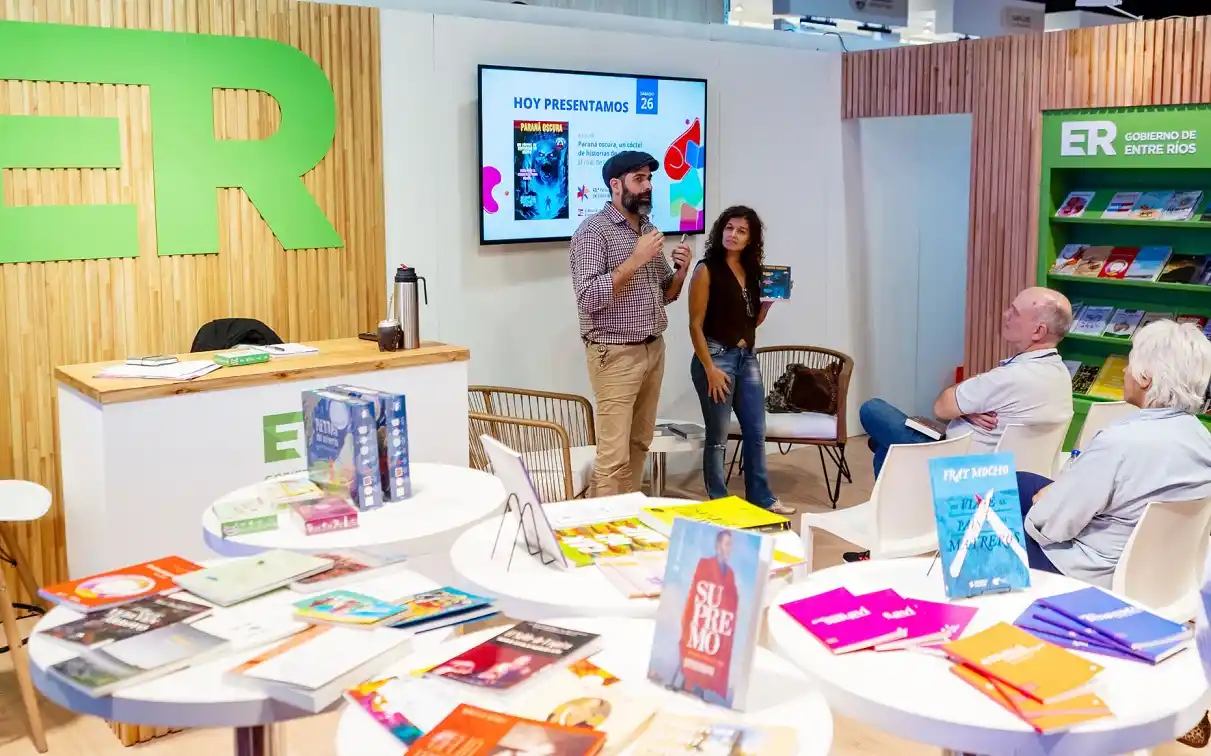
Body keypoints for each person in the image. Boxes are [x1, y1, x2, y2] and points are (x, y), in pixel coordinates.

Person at [847, 286, 1074, 562]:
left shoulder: (1009, 378)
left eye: (1014, 312)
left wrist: (961, 410)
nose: (1005, 315)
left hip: (958, 471)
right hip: (1012, 476)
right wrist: (967, 412)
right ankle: (890, 543)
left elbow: (941, 405)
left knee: (874, 412)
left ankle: (891, 540)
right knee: (888, 447)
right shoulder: (1061, 375)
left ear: (1037, 331)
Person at [1018, 319, 1211, 587]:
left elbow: (1051, 528)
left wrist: (1046, 505)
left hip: (1090, 573)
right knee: (1021, 481)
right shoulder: (1202, 437)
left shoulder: (1119, 443)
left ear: (1146, 378)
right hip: (1162, 573)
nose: (1125, 371)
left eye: (1130, 363)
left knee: (986, 515)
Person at [569, 151, 692, 497]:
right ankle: (597, 534)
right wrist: (636, 259)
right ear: (615, 184)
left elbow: (666, 293)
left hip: (653, 349)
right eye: (639, 179)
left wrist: (680, 272)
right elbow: (589, 298)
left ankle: (625, 520)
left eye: (650, 179)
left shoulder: (648, 229)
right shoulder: (593, 232)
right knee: (613, 455)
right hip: (615, 355)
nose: (648, 186)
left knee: (639, 443)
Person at [687, 206, 792, 515]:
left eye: (741, 231)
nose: (733, 235)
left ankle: (761, 496)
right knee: (718, 437)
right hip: (715, 357)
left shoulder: (753, 272)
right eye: (729, 228)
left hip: (747, 358)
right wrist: (710, 369)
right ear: (721, 231)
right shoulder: (706, 269)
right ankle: (719, 501)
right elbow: (695, 325)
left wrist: (767, 306)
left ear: (751, 239)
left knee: (756, 432)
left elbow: (749, 322)